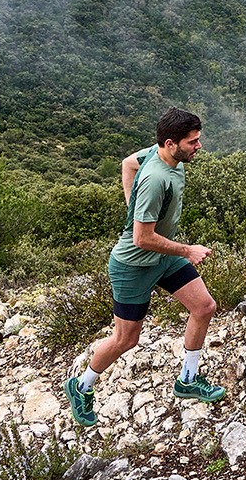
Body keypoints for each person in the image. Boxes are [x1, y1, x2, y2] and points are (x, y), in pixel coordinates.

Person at [63, 108, 226, 427]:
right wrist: (187, 250)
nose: (198, 146)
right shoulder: (155, 179)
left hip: (162, 258)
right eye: (192, 142)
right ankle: (81, 386)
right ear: (170, 143)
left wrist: (132, 205)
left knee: (204, 307)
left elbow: (127, 163)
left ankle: (188, 380)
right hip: (133, 267)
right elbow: (141, 238)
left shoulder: (160, 154)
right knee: (126, 339)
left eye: (198, 139)